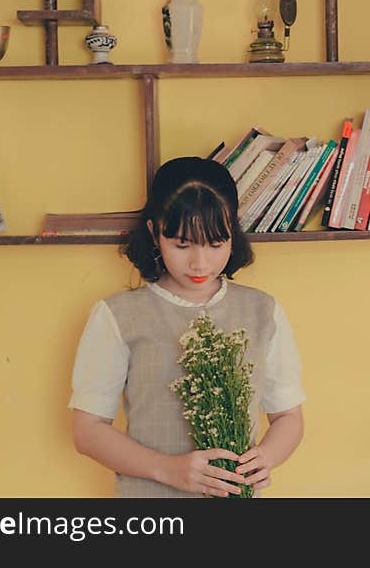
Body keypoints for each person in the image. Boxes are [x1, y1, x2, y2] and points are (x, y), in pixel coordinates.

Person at [69, 156, 306, 497]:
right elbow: (87, 431)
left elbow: (289, 418)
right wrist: (169, 470)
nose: (200, 263)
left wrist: (265, 459)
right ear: (154, 232)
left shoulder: (262, 311)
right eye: (181, 245)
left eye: (215, 244)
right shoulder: (117, 315)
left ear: (232, 234)